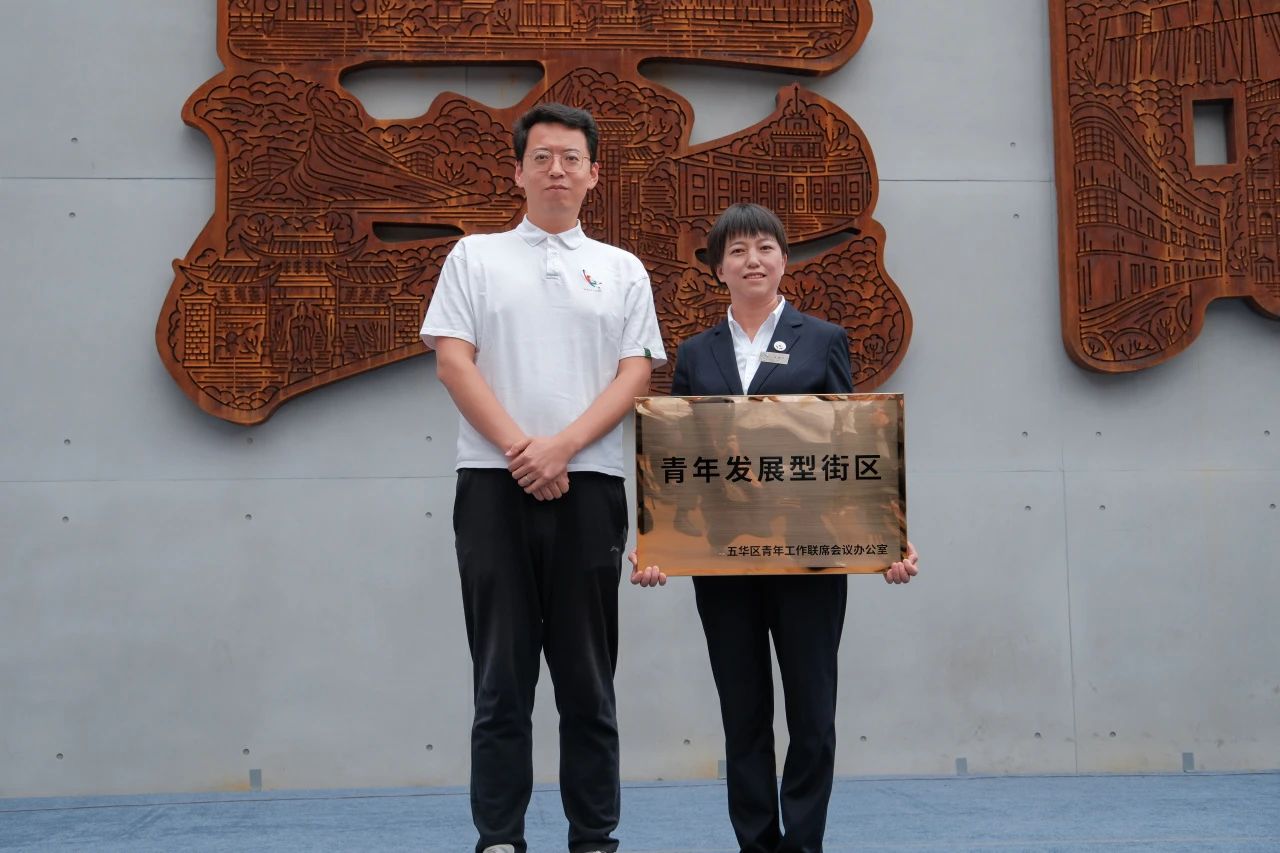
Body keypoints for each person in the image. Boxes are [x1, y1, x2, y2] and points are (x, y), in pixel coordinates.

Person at [629, 203, 918, 853]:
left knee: (812, 713)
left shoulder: (824, 339)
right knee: (744, 714)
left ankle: (803, 843)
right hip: (724, 559)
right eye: (736, 251)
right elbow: (677, 455)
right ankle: (756, 843)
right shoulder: (696, 353)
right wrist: (654, 541)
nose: (751, 260)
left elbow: (851, 442)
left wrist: (890, 533)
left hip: (811, 554)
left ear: (784, 260)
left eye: (764, 247)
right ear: (718, 269)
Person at [421, 103, 667, 853]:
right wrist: (521, 450)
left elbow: (636, 374)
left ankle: (594, 835)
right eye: (541, 157)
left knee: (588, 676)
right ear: (517, 171)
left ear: (594, 174)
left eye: (571, 158)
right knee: (500, 674)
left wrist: (561, 447)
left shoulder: (622, 269)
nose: (556, 169)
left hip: (589, 485)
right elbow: (452, 361)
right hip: (492, 485)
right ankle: (500, 836)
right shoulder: (474, 257)